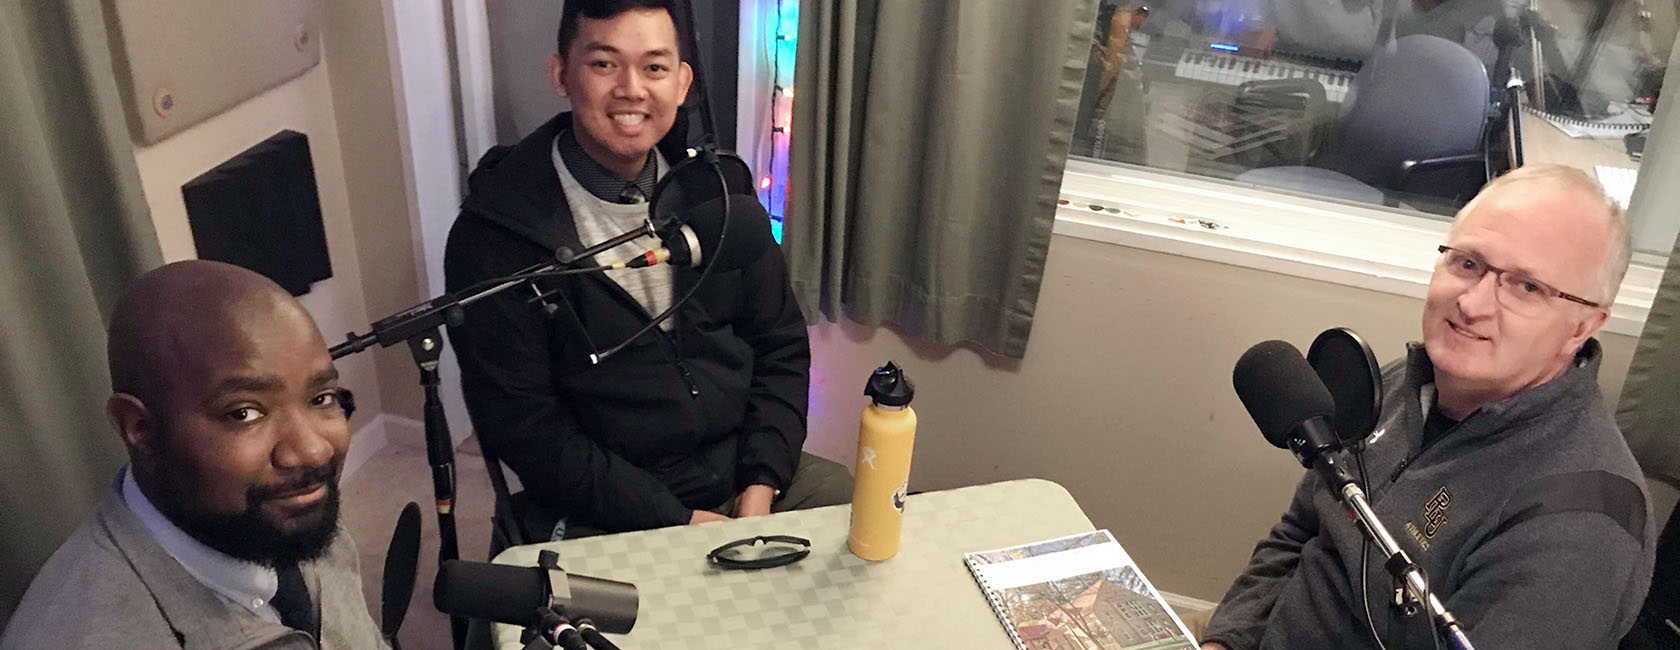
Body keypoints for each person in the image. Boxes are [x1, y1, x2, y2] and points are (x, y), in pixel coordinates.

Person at [1199, 165, 1655, 649]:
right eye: (1468, 264)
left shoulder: (1580, 527)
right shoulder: (1406, 384)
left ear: (1582, 327)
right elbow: (1299, 535)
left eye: (1526, 287)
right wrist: (1225, 642)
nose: (1473, 304)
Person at [444, 0, 851, 540]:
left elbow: (780, 346)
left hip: (742, 471)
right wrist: (676, 521)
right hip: (607, 499)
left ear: (682, 83)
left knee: (852, 520)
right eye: (604, 64)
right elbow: (527, 429)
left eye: (655, 67)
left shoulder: (718, 195)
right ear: (561, 74)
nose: (632, 89)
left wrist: (761, 483)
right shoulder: (496, 235)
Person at [1, 261, 386, 649]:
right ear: (140, 429)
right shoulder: (77, 636)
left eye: (321, 398)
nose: (313, 450)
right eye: (244, 413)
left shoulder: (289, 512)